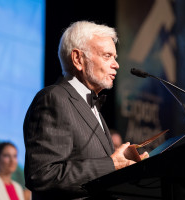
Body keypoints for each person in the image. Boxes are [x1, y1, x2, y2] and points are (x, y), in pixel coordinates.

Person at [23, 21, 148, 200]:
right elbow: (42, 175)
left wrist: (125, 164)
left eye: (115, 57)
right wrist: (111, 164)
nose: (116, 65)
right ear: (78, 59)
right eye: (107, 56)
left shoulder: (91, 105)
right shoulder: (54, 98)